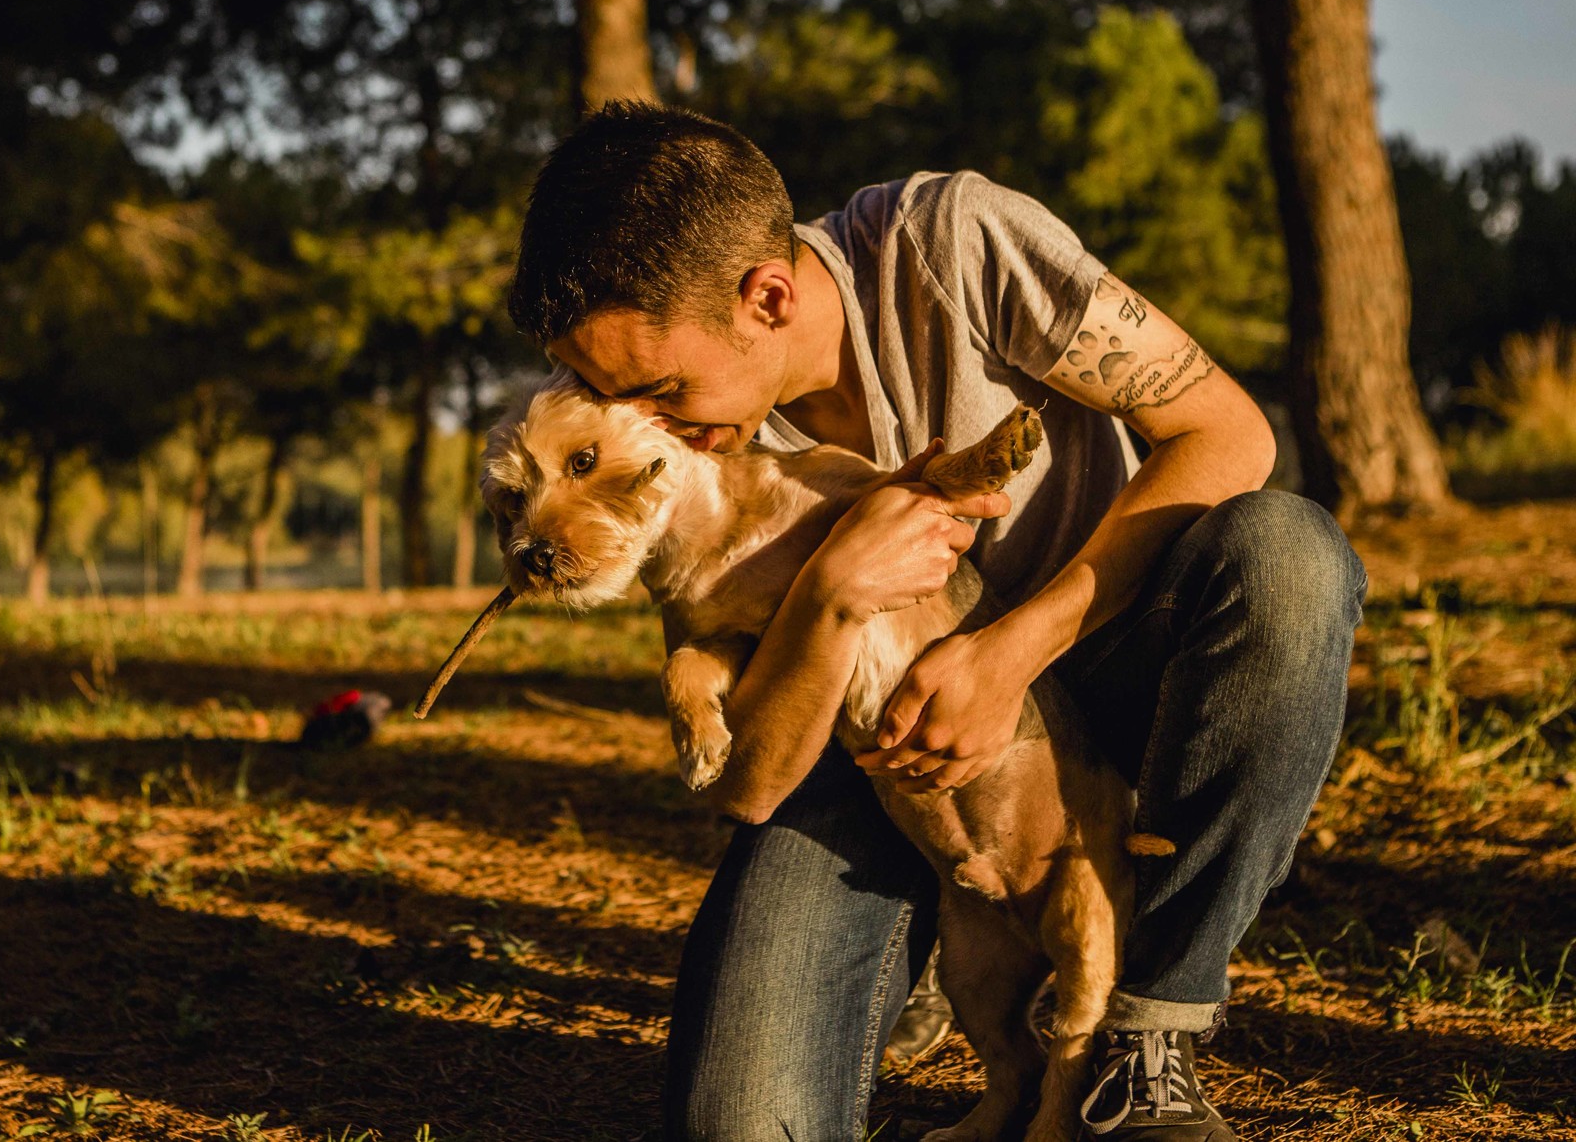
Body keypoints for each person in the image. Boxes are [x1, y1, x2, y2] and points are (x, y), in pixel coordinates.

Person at [504, 103, 1368, 1141]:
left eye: (657, 387)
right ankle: (917, 959)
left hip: (1105, 671)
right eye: (604, 390)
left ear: (767, 297)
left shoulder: (949, 243)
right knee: (742, 1122)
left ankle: (1149, 1028)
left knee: (1287, 555)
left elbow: (1227, 432)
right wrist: (830, 595)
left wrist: (1009, 654)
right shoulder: (664, 448)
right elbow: (753, 784)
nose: (638, 417)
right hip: (873, 762)